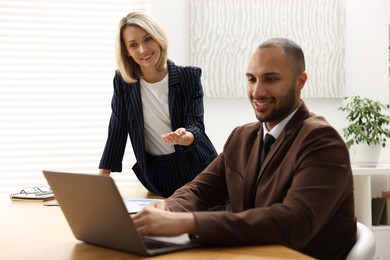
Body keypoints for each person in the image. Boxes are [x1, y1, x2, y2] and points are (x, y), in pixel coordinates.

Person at [131, 38, 357, 259]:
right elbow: (200, 189)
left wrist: (188, 222)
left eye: (270, 79)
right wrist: (167, 208)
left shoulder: (322, 141)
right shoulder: (242, 137)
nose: (257, 91)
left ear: (301, 81)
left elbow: (294, 222)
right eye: (251, 79)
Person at [99, 12, 218, 198]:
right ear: (127, 52)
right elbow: (117, 129)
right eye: (133, 45)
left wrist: (184, 136)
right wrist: (100, 181)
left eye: (148, 39)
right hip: (157, 175)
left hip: (198, 168)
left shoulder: (189, 77)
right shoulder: (124, 83)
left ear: (158, 38)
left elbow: (196, 125)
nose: (142, 49)